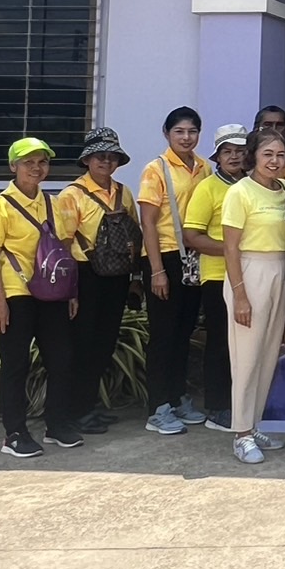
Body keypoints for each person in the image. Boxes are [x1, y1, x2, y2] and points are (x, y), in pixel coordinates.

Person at [0, 138, 80, 457]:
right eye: (28, 162)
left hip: (51, 293)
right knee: (16, 364)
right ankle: (15, 433)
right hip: (15, 294)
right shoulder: (0, 205)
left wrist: (71, 292)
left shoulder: (52, 203)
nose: (36, 168)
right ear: (13, 166)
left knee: (60, 359)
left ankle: (56, 424)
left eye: (42, 162)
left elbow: (64, 249)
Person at [57, 127, 142, 435]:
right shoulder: (71, 195)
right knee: (82, 344)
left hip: (116, 277)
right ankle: (76, 410)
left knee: (104, 344)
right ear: (87, 160)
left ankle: (89, 406)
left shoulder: (124, 192)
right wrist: (69, 290)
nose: (106, 162)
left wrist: (135, 278)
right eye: (100, 156)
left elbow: (134, 236)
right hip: (84, 275)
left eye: (111, 157)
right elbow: (63, 245)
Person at [221, 128, 285, 464]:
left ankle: (254, 423)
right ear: (253, 155)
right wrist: (240, 296)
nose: (275, 161)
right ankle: (240, 433)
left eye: (280, 155)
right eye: (268, 155)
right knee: (247, 357)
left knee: (268, 355)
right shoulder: (240, 192)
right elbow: (230, 248)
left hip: (280, 269)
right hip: (249, 272)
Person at [138, 106, 211, 435]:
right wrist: (156, 270)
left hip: (193, 258)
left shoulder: (204, 168)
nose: (186, 137)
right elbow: (148, 222)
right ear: (167, 133)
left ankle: (177, 396)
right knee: (163, 334)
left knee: (183, 333)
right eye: (179, 131)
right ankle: (158, 407)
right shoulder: (156, 169)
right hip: (164, 256)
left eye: (192, 131)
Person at [182, 124, 250, 432]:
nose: (234, 156)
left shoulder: (253, 184)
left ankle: (243, 404)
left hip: (254, 276)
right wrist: (233, 250)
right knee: (222, 343)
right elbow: (192, 236)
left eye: (239, 151)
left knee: (248, 346)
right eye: (227, 151)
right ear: (217, 156)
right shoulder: (207, 188)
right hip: (217, 276)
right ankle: (218, 407)